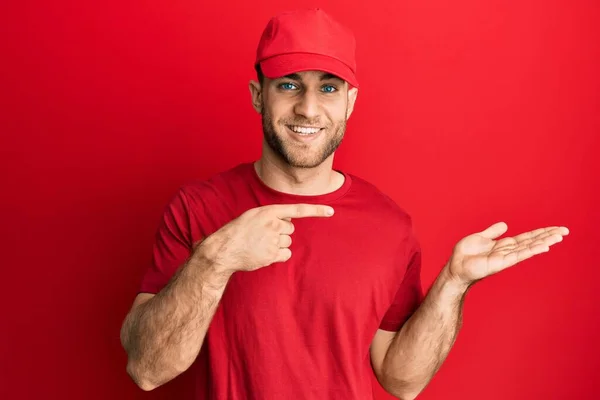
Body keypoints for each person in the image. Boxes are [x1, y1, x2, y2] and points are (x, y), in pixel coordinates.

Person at [119, 8, 569, 400]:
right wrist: (213, 261)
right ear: (259, 96)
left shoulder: (389, 225)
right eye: (289, 85)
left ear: (351, 102)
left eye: (329, 88)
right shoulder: (198, 208)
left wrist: (453, 284)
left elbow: (402, 381)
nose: (309, 109)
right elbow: (147, 371)